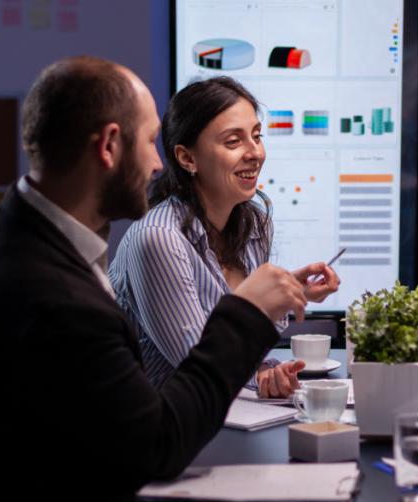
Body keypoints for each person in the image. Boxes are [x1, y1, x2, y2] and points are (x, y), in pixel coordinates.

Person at [0, 57, 308, 502]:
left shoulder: (0, 227)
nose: (158, 163)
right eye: (150, 141)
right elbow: (157, 447)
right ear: (110, 146)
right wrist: (245, 312)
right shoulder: (54, 297)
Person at [109, 77, 339, 398]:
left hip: (216, 420)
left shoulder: (254, 225)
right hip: (152, 433)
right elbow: (200, 367)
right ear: (187, 158)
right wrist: (265, 310)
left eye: (257, 136)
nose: (255, 152)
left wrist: (288, 295)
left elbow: (235, 352)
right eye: (234, 142)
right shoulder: (158, 239)